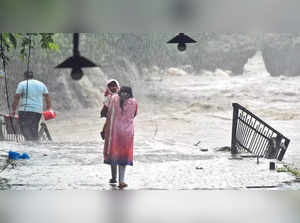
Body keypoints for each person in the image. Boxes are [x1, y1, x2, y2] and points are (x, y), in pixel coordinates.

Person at [103, 86, 138, 189]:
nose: (124, 94)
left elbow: (107, 108)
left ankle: (119, 180)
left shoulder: (115, 100)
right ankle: (117, 179)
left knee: (118, 157)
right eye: (122, 92)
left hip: (120, 133)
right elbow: (134, 114)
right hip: (123, 133)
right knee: (119, 157)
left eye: (126, 93)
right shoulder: (133, 102)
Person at [11, 71, 51, 141]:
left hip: (25, 110)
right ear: (32, 76)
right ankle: (35, 144)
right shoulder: (41, 84)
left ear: (24, 76)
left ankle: (30, 144)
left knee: (24, 127)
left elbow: (17, 97)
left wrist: (13, 110)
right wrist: (49, 108)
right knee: (34, 128)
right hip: (37, 111)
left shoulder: (22, 84)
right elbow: (47, 97)